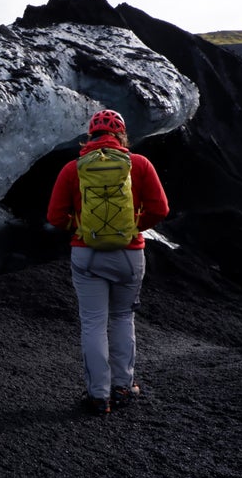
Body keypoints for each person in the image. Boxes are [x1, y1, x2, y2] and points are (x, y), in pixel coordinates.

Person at [46, 109, 169, 415]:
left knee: (93, 324)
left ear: (90, 137)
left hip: (87, 253)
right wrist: (133, 227)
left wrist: (81, 228)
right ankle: (124, 387)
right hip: (129, 254)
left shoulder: (73, 169)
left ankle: (99, 396)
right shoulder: (138, 164)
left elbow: (54, 216)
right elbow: (160, 209)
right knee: (122, 318)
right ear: (121, 136)